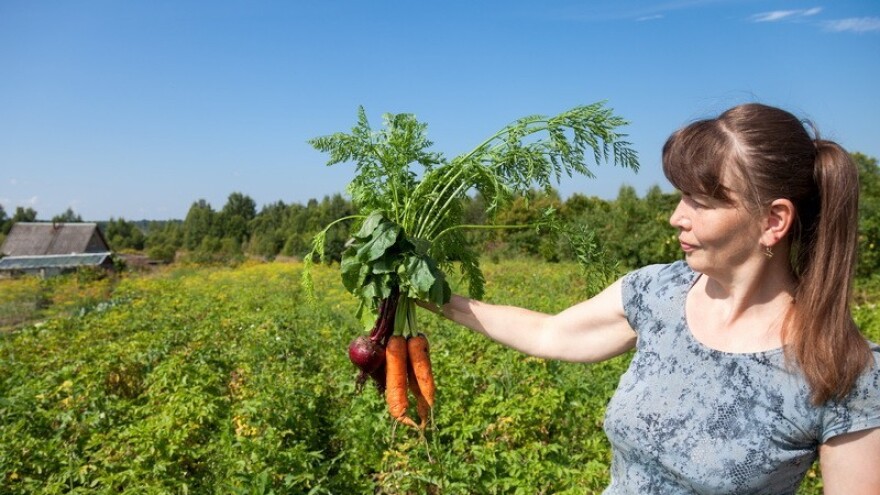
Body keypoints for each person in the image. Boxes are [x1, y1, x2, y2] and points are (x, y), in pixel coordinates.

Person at [427, 103, 880, 493]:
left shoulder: (841, 369)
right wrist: (437, 297)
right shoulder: (657, 292)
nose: (675, 218)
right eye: (680, 196)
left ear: (773, 220)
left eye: (699, 202)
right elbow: (552, 333)